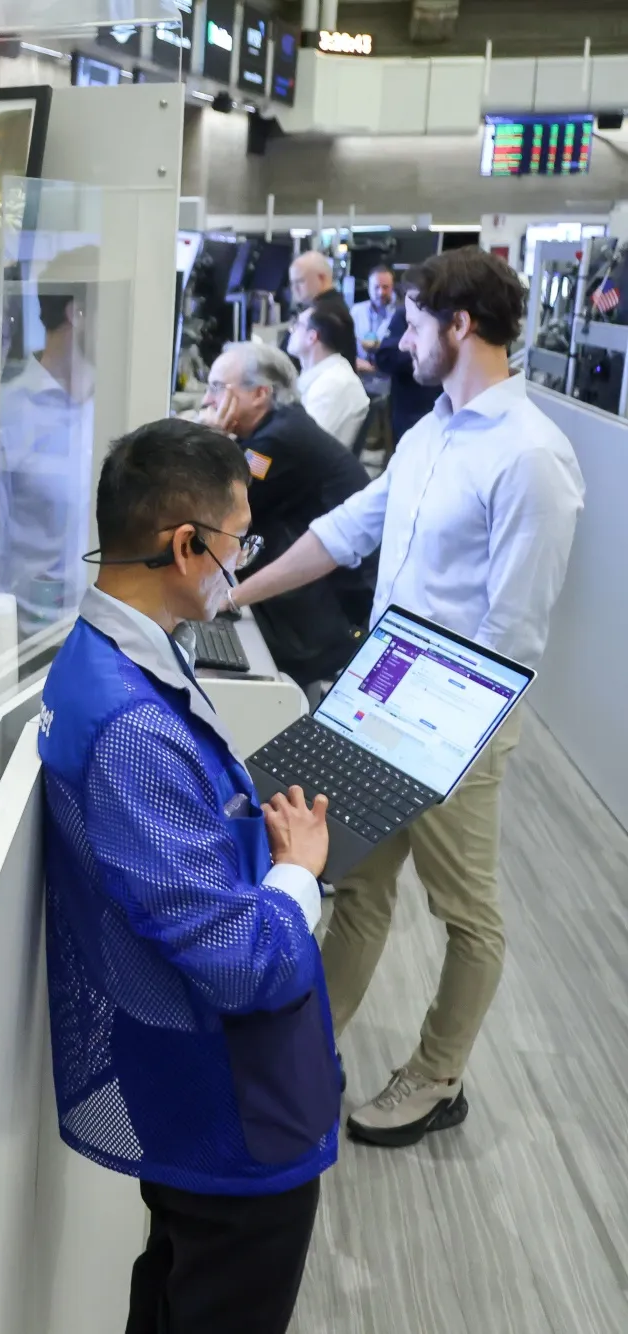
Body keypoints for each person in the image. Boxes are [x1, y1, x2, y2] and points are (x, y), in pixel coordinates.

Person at [233, 247, 586, 1147]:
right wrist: (231, 593)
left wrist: (440, 734)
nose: (400, 337)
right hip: (380, 701)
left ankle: (437, 1077)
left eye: (415, 322)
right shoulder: (430, 433)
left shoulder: (534, 457)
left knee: (465, 911)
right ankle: (302, 1047)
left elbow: (515, 631)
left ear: (459, 327)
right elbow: (347, 533)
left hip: (454, 723)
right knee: (352, 886)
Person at [39, 418, 338, 1334]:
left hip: (183, 1072)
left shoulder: (115, 656)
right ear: (184, 544)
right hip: (229, 1098)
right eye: (237, 542)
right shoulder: (129, 725)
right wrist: (297, 874)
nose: (239, 564)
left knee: (175, 1288)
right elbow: (244, 966)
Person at [200, 343, 373, 687]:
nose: (207, 401)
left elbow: (209, 508)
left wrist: (210, 437)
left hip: (327, 617)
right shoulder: (279, 427)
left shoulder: (277, 442)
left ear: (261, 393)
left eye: (218, 387)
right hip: (318, 594)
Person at [0, 258, 97, 636]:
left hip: (111, 634)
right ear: (78, 313)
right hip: (34, 641)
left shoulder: (117, 403)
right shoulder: (11, 411)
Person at [287, 300, 371, 448]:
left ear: (312, 337)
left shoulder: (332, 384)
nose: (291, 329)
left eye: (298, 325)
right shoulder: (324, 375)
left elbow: (300, 446)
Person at [371, 301, 441, 442]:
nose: (404, 343)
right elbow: (384, 358)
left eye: (417, 328)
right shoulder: (403, 315)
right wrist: (419, 354)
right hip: (410, 410)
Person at [351, 266, 398, 369]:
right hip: (360, 372)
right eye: (376, 287)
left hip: (388, 374)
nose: (381, 292)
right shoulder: (356, 311)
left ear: (392, 287)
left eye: (385, 287)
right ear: (369, 287)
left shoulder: (399, 314)